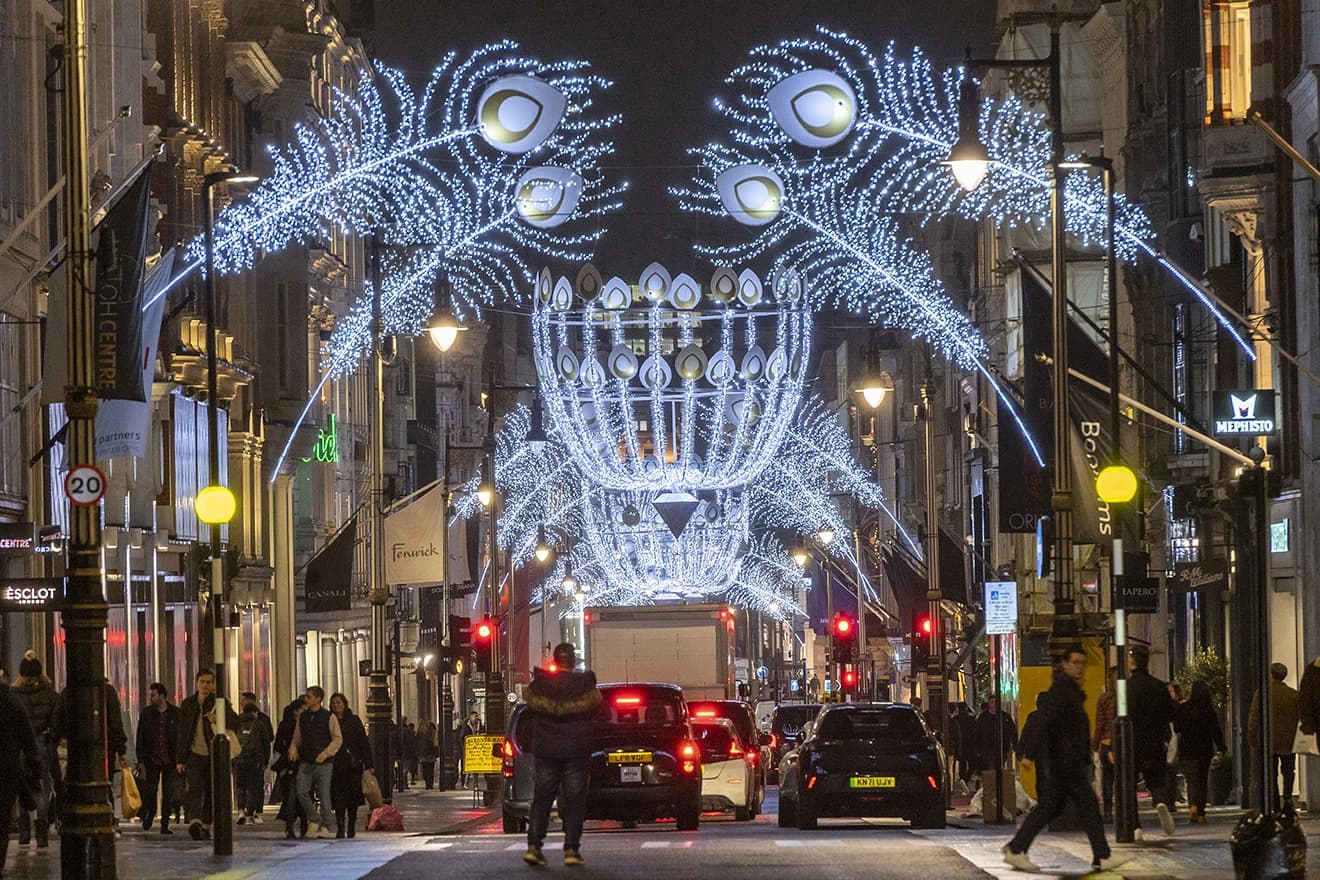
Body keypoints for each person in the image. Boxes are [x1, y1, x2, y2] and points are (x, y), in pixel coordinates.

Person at [1002, 649, 1128, 874]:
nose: (1080, 667)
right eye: (1076, 662)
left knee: (1051, 806)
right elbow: (1043, 721)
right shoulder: (1061, 691)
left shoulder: (1070, 691)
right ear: (1065, 665)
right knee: (1088, 807)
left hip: (1067, 760)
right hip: (1066, 761)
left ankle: (1017, 847)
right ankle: (1102, 855)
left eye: (1083, 663)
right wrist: (1029, 754)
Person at [522, 642, 601, 868]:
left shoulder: (540, 685)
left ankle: (534, 846)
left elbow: (530, 711)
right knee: (575, 798)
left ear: (555, 660)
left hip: (546, 748)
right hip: (576, 748)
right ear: (573, 660)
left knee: (543, 796)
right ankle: (571, 849)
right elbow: (597, 708)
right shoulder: (584, 685)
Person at [174, 670, 240, 841]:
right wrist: (180, 759)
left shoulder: (220, 703)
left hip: (214, 754)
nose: (205, 685)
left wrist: (218, 718)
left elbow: (236, 722)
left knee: (212, 791)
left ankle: (205, 824)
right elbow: (182, 732)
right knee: (194, 789)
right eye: (202, 681)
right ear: (196, 683)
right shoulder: (188, 704)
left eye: (209, 682)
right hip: (194, 754)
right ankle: (195, 821)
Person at [1126, 644, 1177, 837]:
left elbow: (1122, 715)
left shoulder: (1128, 687)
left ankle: (1135, 826)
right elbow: (1170, 713)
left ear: (1132, 661)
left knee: (1129, 784)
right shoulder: (1158, 686)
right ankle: (1161, 802)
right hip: (1155, 740)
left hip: (1132, 743)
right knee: (1156, 781)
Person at [12, 651, 58, 846]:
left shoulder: (14, 694)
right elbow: (55, 721)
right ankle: (41, 833)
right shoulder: (49, 694)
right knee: (41, 787)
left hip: (20, 746)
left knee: (22, 785)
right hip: (41, 742)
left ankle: (24, 832)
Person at [0, 666, 41, 877]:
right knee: (3, 816)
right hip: (6, 770)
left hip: (7, 768)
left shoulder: (14, 699)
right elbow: (27, 736)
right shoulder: (11, 701)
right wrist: (35, 766)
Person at [290, 685, 341, 839]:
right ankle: (314, 818)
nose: (306, 699)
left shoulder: (328, 717)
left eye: (309, 697)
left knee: (324, 795)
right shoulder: (303, 717)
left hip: (324, 763)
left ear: (318, 699)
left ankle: (325, 825)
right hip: (306, 760)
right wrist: (293, 748)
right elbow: (297, 736)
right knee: (301, 791)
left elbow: (337, 738)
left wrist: (326, 753)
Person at [1249, 662, 1300, 808]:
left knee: (1271, 773)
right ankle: (1288, 797)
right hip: (1289, 739)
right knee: (1289, 770)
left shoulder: (1262, 694)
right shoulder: (1293, 695)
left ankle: (1275, 801)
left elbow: (1254, 718)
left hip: (1268, 740)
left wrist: (1253, 737)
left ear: (1271, 675)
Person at [1175, 681, 1226, 823]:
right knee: (1202, 782)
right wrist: (1221, 747)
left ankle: (1193, 810)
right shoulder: (1208, 710)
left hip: (1187, 751)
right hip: (1204, 751)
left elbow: (1177, 727)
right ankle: (1201, 812)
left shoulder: (1184, 708)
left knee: (1191, 782)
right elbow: (1216, 731)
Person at [134, 682, 179, 835]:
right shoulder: (146, 714)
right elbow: (140, 737)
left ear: (162, 695)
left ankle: (165, 823)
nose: (151, 698)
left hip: (169, 759)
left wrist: (180, 758)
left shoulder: (174, 713)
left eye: (153, 695)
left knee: (168, 792)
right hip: (152, 759)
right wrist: (140, 759)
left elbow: (179, 736)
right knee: (151, 790)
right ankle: (151, 814)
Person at [329, 692, 372, 838]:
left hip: (353, 764)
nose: (336, 705)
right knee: (338, 796)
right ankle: (340, 826)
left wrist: (368, 762)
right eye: (334, 703)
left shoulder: (353, 720)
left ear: (344, 704)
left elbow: (363, 742)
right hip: (336, 764)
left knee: (352, 797)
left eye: (339, 702)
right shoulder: (330, 720)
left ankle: (351, 825)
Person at [272, 698, 309, 840]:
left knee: (299, 795)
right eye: (302, 709)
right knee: (293, 796)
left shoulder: (307, 724)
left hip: (302, 764)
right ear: (296, 711)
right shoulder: (288, 725)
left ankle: (297, 825)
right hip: (290, 764)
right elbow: (278, 746)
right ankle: (294, 825)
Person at [234, 696, 273, 825]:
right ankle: (250, 814)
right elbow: (267, 742)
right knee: (253, 787)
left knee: (240, 786)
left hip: (239, 759)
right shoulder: (259, 723)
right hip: (255, 760)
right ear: (255, 712)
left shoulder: (236, 723)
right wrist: (265, 761)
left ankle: (240, 811)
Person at [1092, 667, 1117, 822]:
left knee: (1107, 779)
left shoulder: (1104, 699)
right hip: (1123, 743)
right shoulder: (1125, 698)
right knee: (1124, 779)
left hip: (1106, 743)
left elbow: (1099, 724)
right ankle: (1125, 811)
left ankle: (1107, 812)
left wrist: (1095, 745)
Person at [974, 696, 1018, 777]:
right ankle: (993, 786)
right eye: (992, 702)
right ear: (988, 704)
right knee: (991, 769)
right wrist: (977, 749)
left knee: (999, 768)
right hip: (987, 749)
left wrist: (1014, 745)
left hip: (1002, 748)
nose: (994, 704)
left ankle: (996, 786)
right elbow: (977, 733)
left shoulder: (1005, 717)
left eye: (995, 702)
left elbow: (1013, 731)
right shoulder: (983, 717)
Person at [416, 721, 439, 789]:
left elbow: (418, 745)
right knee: (430, 770)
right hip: (430, 755)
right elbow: (435, 745)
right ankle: (430, 784)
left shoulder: (420, 735)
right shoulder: (431, 735)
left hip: (423, 755)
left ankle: (427, 784)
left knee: (425, 770)